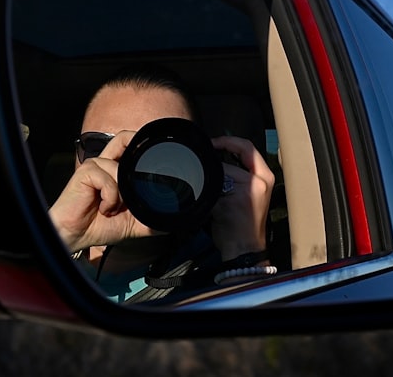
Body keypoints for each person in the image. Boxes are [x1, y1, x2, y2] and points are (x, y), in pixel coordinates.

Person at [47, 65, 276, 303]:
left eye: (160, 155)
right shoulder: (38, 240)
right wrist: (58, 235)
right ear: (76, 156)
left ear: (200, 167)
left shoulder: (217, 271)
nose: (127, 170)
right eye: (99, 148)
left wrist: (245, 254)